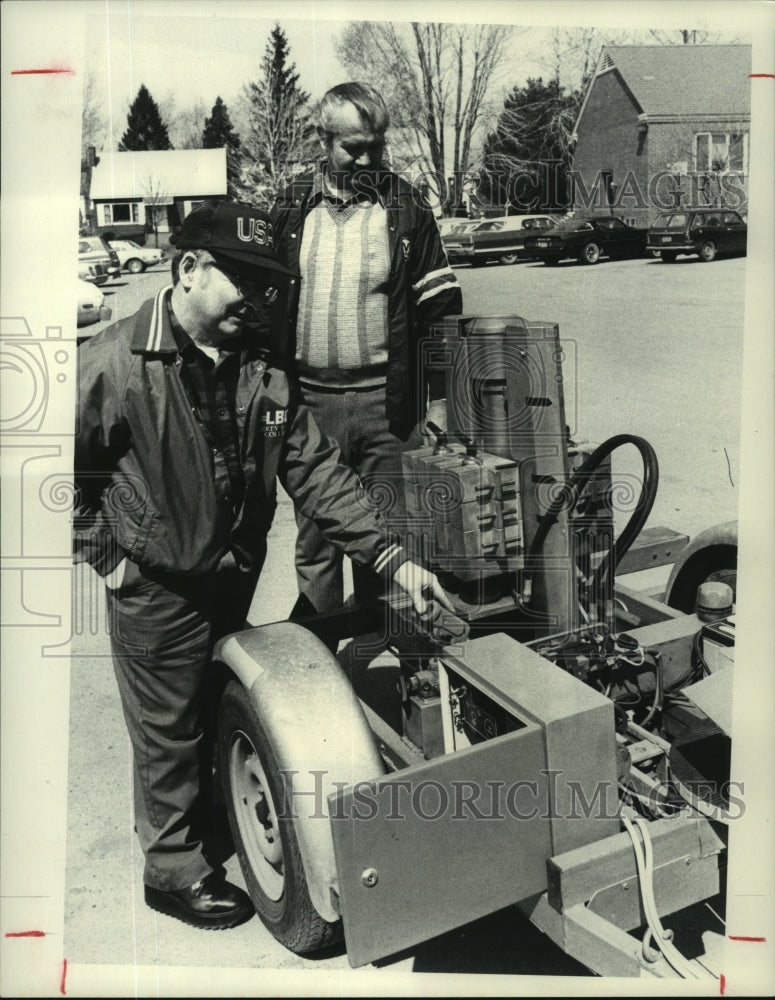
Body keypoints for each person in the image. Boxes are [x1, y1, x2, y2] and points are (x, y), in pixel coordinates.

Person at [73, 201, 453, 931]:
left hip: (229, 570)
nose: (258, 298)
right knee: (167, 726)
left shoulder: (260, 368)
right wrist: (108, 558)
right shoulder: (115, 363)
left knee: (210, 697)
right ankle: (173, 867)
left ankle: (201, 813)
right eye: (241, 279)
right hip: (156, 584)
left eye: (267, 283)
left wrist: (390, 555)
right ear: (188, 270)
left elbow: (316, 473)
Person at [272, 81, 463, 615]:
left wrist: (439, 399)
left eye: (375, 146)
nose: (365, 159)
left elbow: (440, 308)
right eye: (351, 147)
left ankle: (405, 675)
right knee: (316, 541)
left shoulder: (405, 206)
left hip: (386, 407)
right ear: (321, 139)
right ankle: (323, 676)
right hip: (308, 405)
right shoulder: (289, 206)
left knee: (388, 538)